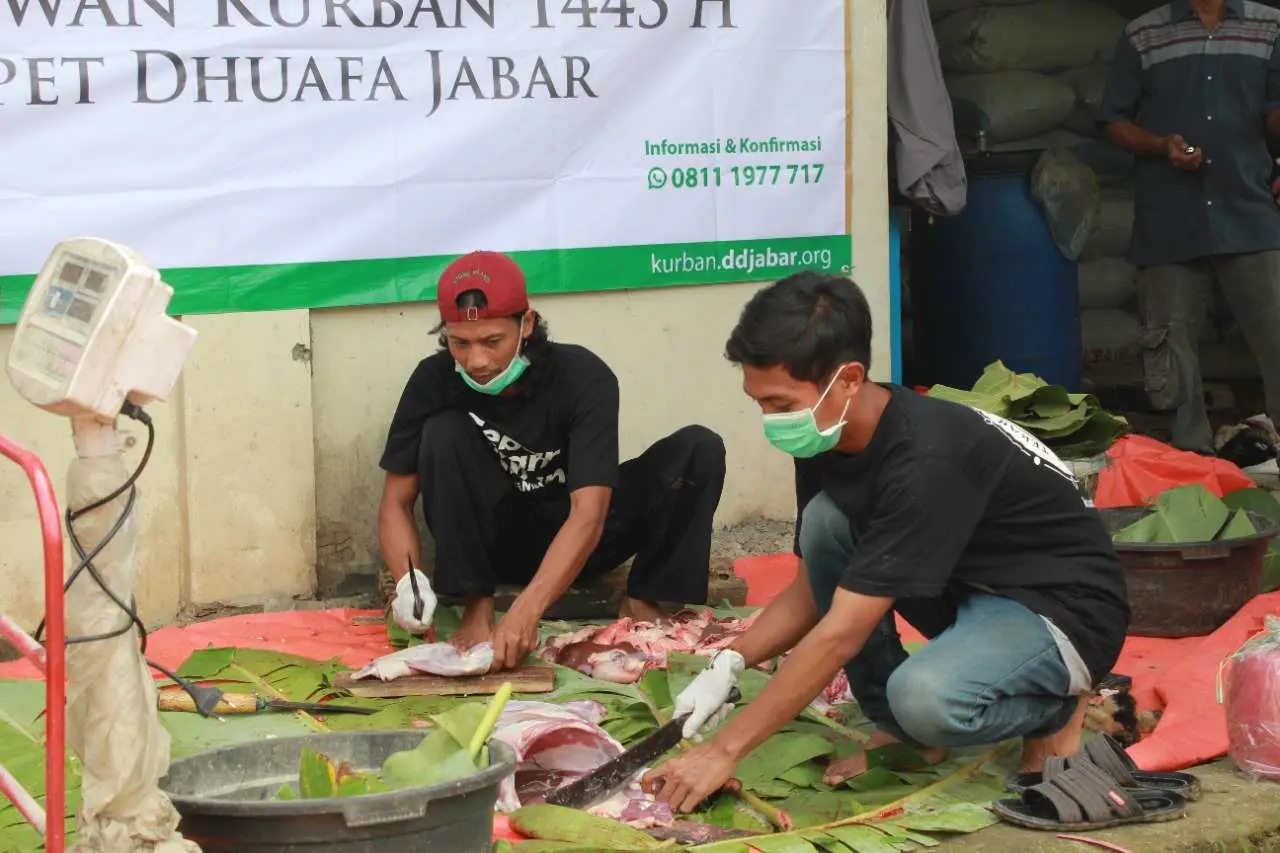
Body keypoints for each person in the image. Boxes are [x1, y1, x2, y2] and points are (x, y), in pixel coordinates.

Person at [643, 273, 1130, 813]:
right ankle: (902, 733)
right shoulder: (828, 437)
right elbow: (814, 590)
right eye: (759, 403)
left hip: (1061, 609)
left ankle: (1054, 709)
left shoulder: (926, 460)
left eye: (782, 405)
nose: (771, 421)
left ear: (849, 378)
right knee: (828, 522)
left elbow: (839, 636)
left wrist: (723, 750)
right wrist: (729, 663)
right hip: (966, 585)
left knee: (926, 699)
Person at [376, 250, 727, 670]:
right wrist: (407, 581)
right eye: (460, 343)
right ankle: (477, 607)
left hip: (579, 541)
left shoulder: (582, 377)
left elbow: (589, 514)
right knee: (443, 430)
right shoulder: (433, 381)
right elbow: (396, 501)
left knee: (697, 450)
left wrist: (528, 609)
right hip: (495, 546)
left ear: (525, 324)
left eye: (492, 341)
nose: (477, 361)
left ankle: (644, 599)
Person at [1099, 0, 1280, 453]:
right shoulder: (1144, 33)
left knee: (1277, 334)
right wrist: (1162, 145)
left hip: (1248, 210)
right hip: (1170, 218)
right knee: (1171, 348)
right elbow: (1113, 120)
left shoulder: (1269, 27)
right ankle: (1192, 459)